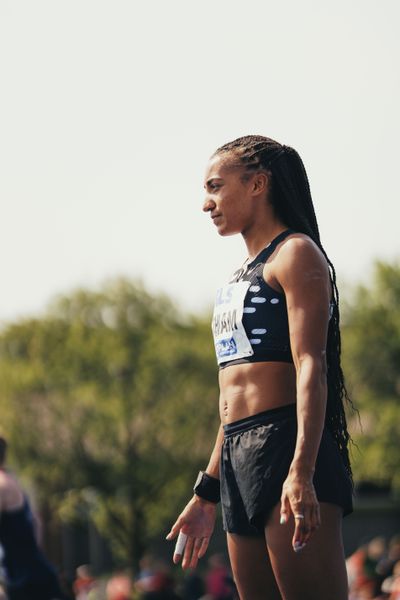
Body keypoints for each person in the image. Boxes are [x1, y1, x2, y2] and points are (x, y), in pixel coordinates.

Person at [166, 135, 354, 600]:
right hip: (237, 456)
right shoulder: (236, 278)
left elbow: (312, 365)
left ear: (258, 184)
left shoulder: (295, 254)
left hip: (286, 445)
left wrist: (302, 470)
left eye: (215, 186)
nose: (206, 204)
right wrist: (207, 490)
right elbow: (232, 398)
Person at [0, 436, 66, 600]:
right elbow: (38, 522)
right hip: (33, 570)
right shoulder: (12, 482)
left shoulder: (2, 485)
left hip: (25, 578)